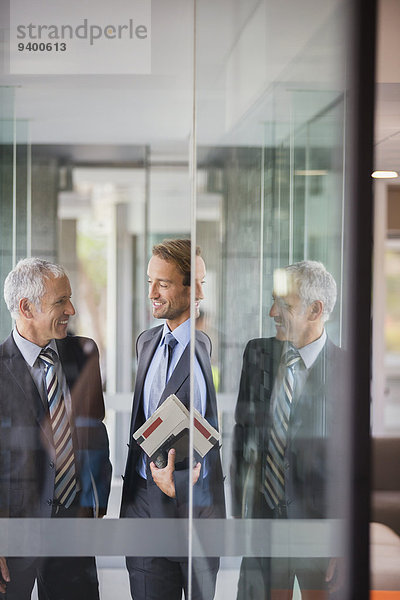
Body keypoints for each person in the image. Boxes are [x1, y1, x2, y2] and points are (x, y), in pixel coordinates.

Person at [231, 260, 344, 599]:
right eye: (273, 301)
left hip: (318, 532)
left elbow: (353, 465)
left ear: (316, 310)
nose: (271, 312)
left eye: (284, 305)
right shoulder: (258, 354)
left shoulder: (348, 371)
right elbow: (243, 435)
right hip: (264, 525)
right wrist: (240, 515)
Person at [0, 258, 112, 600]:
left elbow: (95, 430)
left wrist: (96, 500)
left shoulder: (82, 353)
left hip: (73, 530)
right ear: (26, 307)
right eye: (60, 302)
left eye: (70, 298)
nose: (72, 309)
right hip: (14, 536)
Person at [120, 239, 225, 600]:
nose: (152, 292)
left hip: (194, 510)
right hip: (144, 508)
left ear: (192, 288)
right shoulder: (146, 342)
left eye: (162, 284)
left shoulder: (202, 345)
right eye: (150, 281)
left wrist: (183, 483)